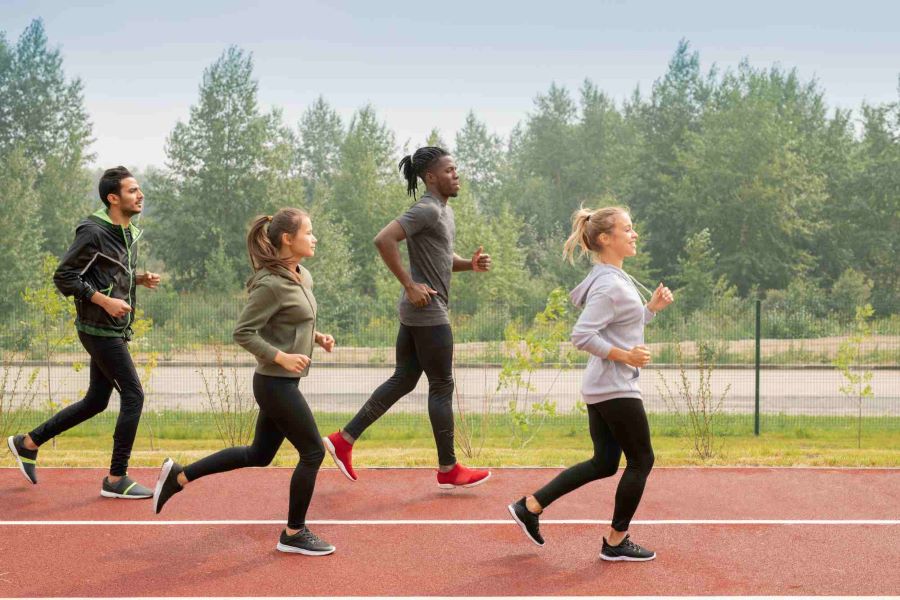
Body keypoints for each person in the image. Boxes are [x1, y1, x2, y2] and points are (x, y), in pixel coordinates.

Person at [152, 208, 337, 556]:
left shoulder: (302, 276)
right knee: (312, 451)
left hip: (285, 383)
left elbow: (289, 324)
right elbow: (243, 333)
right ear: (288, 239)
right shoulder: (270, 284)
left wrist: (318, 338)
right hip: (274, 384)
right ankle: (294, 533)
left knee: (260, 454)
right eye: (309, 232)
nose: (314, 238)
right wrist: (280, 357)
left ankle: (179, 477)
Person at [507, 206, 674, 561]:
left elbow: (622, 323)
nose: (635, 234)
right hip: (615, 387)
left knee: (604, 463)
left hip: (603, 387)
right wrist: (625, 356)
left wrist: (650, 310)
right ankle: (615, 542)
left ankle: (530, 506)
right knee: (642, 460)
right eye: (628, 229)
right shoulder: (609, 285)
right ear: (604, 238)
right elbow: (582, 335)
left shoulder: (613, 277)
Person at [324, 146, 492, 488]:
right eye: (448, 170)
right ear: (430, 177)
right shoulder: (427, 209)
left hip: (418, 310)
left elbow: (442, 257)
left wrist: (468, 265)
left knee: (404, 378)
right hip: (428, 310)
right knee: (442, 385)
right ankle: (448, 469)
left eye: (455, 169)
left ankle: (344, 440)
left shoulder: (443, 211)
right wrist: (409, 283)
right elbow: (383, 239)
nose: (455, 174)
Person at [7, 166, 160, 499]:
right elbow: (65, 276)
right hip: (98, 328)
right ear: (113, 198)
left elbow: (105, 273)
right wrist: (104, 301)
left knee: (95, 402)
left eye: (139, 189)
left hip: (114, 328)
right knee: (134, 396)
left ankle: (27, 442)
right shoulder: (93, 232)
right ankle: (116, 479)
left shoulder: (128, 232)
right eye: (133, 190)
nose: (140, 194)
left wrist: (138, 279)